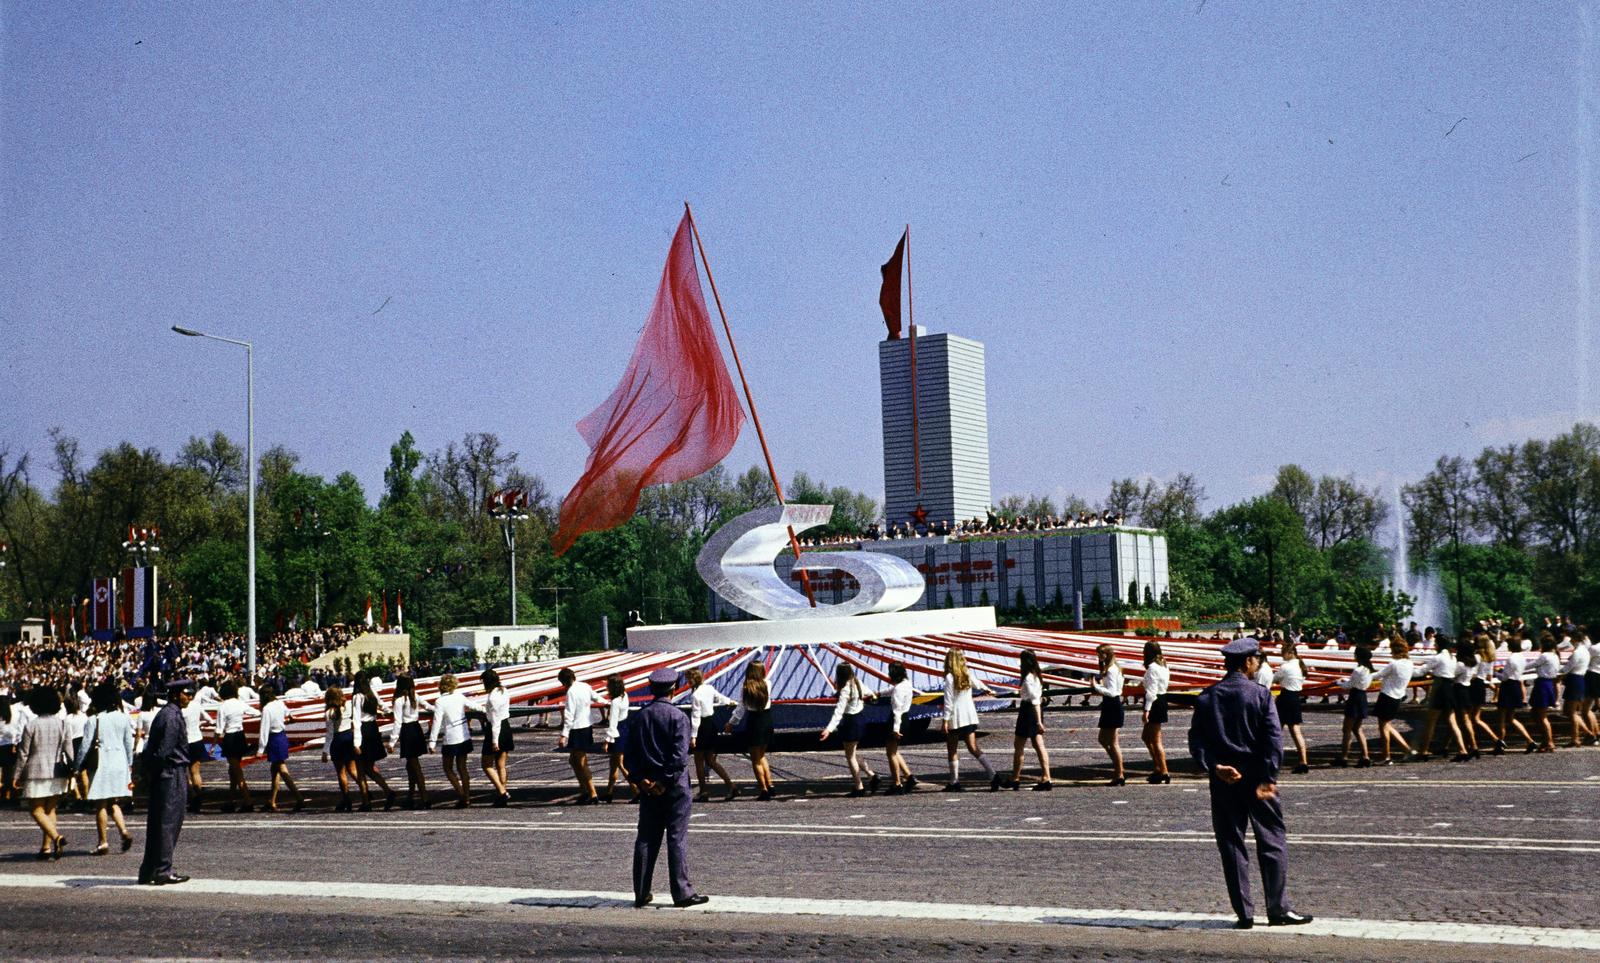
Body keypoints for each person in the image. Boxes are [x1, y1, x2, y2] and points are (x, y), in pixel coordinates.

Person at [1187, 638, 1312, 929]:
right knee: (1272, 842)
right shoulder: (1261, 696)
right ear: (1247, 662)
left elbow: (1196, 741)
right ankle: (1277, 909)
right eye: (1257, 659)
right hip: (1258, 780)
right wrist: (1269, 777)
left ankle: (1244, 912)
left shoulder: (1208, 697)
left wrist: (1215, 767)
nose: (1259, 663)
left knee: (1231, 844)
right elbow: (1273, 740)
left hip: (1223, 781)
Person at [622, 667, 708, 909]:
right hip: (674, 788)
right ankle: (681, 893)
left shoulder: (639, 717)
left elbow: (629, 756)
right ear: (674, 688)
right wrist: (664, 780)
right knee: (676, 838)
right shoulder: (678, 717)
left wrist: (642, 781)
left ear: (651, 688)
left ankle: (641, 891)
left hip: (648, 789)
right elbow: (679, 757)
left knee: (646, 838)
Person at [138, 680, 193, 885]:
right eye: (187, 693)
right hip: (171, 772)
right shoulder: (172, 716)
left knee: (158, 823)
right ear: (176, 694)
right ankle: (163, 870)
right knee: (169, 823)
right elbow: (165, 750)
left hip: (165, 773)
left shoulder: (166, 713)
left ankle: (148, 870)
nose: (190, 698)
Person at [74, 680, 136, 854]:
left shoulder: (94, 719)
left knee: (100, 804)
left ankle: (103, 842)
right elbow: (127, 744)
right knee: (113, 802)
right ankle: (123, 831)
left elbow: (85, 746)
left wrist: (77, 766)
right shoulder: (124, 718)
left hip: (102, 763)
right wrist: (129, 765)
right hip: (120, 762)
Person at [14, 686, 71, 860]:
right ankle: (46, 847)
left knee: (37, 811)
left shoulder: (31, 725)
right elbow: (69, 751)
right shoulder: (63, 724)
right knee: (50, 809)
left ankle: (56, 838)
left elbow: (23, 753)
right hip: (56, 770)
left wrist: (16, 775)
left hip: (35, 770)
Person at [940, 648, 998, 791]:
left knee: (952, 749)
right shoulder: (966, 673)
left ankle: (954, 781)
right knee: (973, 748)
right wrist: (987, 689)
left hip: (956, 717)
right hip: (969, 716)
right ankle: (993, 774)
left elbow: (948, 701)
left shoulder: (949, 677)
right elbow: (977, 683)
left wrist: (945, 720)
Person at [820, 663, 879, 797]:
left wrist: (829, 729)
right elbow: (870, 693)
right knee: (853, 751)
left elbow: (839, 711)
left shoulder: (845, 690)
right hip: (860, 719)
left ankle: (859, 786)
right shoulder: (857, 682)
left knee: (850, 756)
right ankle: (871, 775)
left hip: (850, 722)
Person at [428, 673, 482, 807]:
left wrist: (432, 742)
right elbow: (474, 706)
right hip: (464, 735)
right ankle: (467, 796)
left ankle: (461, 794)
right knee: (462, 768)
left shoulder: (440, 701)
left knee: (447, 767)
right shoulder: (459, 696)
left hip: (450, 738)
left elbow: (437, 722)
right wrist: (486, 710)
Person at [686, 667, 738, 802]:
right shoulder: (709, 688)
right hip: (711, 725)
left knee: (698, 761)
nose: (687, 682)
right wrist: (730, 702)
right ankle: (731, 785)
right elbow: (720, 697)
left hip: (702, 728)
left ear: (693, 680)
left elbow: (695, 717)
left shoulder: (695, 695)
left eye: (688, 679)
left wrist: (693, 736)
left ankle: (703, 791)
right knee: (711, 761)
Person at [725, 662, 774, 801]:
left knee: (755, 759)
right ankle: (770, 784)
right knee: (762, 755)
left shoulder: (746, 687)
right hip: (767, 719)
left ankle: (763, 789)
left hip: (754, 722)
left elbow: (741, 708)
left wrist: (731, 723)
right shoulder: (768, 684)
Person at [351, 671, 398, 811]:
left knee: (360, 768)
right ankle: (387, 790)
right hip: (373, 729)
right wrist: (386, 711)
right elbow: (383, 705)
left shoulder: (357, 696)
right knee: (370, 767)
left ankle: (366, 801)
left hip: (364, 731)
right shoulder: (372, 693)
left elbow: (356, 720)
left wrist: (356, 743)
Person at [255, 683, 305, 813]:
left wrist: (260, 749)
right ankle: (272, 800)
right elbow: (290, 715)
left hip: (274, 739)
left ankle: (298, 797)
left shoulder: (267, 709)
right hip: (282, 736)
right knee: (275, 771)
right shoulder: (279, 703)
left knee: (281, 769)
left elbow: (264, 730)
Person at [1414, 637, 1467, 760]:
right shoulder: (1452, 658)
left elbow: (1421, 671)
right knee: (1452, 721)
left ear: (1438, 645)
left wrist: (1406, 670)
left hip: (1439, 688)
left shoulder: (1438, 657)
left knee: (1431, 721)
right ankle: (1462, 749)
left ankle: (1424, 750)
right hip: (1449, 687)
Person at [557, 667, 599, 805]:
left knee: (581, 762)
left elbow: (569, 714)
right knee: (574, 761)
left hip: (577, 728)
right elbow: (596, 697)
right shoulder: (585, 686)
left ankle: (592, 793)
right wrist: (608, 703)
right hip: (586, 726)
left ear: (564, 681)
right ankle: (584, 790)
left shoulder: (571, 692)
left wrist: (564, 735)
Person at [389, 674, 429, 809]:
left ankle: (424, 797)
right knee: (410, 765)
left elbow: (397, 722)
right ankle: (411, 795)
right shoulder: (415, 697)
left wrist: (392, 741)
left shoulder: (399, 700)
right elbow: (428, 706)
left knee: (415, 766)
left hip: (407, 731)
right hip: (416, 729)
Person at [214, 680, 254, 813]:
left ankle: (247, 800)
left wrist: (214, 744)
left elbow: (219, 729)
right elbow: (255, 712)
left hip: (230, 737)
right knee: (233, 771)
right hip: (240, 736)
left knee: (236, 771)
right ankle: (231, 801)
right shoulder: (240, 703)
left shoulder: (223, 706)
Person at [1373, 639, 1415, 764]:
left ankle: (1386, 756)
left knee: (1384, 727)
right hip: (1397, 697)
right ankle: (1407, 749)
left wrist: (1361, 676)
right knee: (1387, 725)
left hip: (1386, 696)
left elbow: (1378, 675)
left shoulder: (1393, 664)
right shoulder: (1409, 663)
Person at [1272, 639, 1310, 773]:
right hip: (1295, 698)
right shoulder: (1301, 666)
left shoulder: (1285, 666)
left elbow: (1274, 679)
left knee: (1276, 731)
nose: (1282, 656)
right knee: (1296, 731)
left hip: (1285, 698)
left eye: (1283, 653)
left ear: (1290, 652)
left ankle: (1273, 760)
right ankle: (1303, 761)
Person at [1091, 643, 1126, 786]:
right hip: (1110, 705)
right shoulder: (1114, 668)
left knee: (1111, 742)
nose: (1098, 657)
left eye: (1100, 654)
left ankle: (1119, 773)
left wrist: (1096, 687)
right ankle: (1118, 769)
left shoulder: (1111, 670)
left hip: (1112, 704)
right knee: (1104, 739)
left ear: (1106, 655)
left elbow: (1112, 692)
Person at [1333, 646, 1374, 767]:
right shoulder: (1369, 670)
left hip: (1355, 697)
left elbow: (1349, 685)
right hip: (1363, 697)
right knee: (1358, 729)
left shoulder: (1358, 670)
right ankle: (1365, 756)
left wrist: (1338, 683)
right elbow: (1355, 681)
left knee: (1346, 729)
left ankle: (1344, 757)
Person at [882, 662, 918, 794]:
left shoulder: (898, 689)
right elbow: (891, 690)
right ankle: (909, 776)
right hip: (905, 718)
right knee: (895, 751)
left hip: (897, 720)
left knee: (890, 753)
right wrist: (879, 693)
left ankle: (896, 783)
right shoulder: (907, 684)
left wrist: (895, 729)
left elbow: (897, 711)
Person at [1494, 638, 1536, 752]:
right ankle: (1529, 740)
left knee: (1501, 717)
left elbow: (1504, 677)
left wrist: (1496, 673)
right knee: (1511, 718)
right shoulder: (1522, 657)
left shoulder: (1511, 658)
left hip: (1507, 686)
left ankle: (1500, 742)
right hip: (1516, 684)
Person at [323, 686, 359, 812]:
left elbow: (329, 734)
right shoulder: (348, 706)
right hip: (349, 736)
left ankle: (346, 798)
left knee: (341, 772)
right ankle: (364, 790)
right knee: (353, 769)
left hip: (337, 740)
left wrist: (325, 751)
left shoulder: (329, 713)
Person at [480, 668, 513, 807]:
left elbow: (495, 720)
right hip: (506, 726)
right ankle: (503, 792)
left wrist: (494, 741)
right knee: (501, 765)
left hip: (496, 730)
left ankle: (501, 792)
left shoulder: (492, 697)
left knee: (486, 764)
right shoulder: (504, 690)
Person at [1139, 642, 1169, 785]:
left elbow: (1151, 692)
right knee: (1146, 737)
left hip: (1155, 701)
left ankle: (1163, 770)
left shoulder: (1151, 667)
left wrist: (1147, 710)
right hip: (1162, 698)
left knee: (1155, 740)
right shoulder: (1164, 665)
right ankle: (1158, 767)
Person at [602, 673, 633, 803]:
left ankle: (636, 789)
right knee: (613, 764)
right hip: (625, 729)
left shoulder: (615, 702)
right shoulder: (625, 695)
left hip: (617, 733)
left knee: (619, 763)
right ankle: (609, 792)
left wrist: (607, 741)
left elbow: (613, 723)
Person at [1559, 632, 1594, 748]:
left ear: (1575, 639)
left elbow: (1567, 668)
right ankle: (1585, 734)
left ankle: (1577, 737)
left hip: (1575, 680)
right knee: (1569, 711)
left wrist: (1557, 669)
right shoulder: (1585, 651)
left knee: (1571, 712)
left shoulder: (1578, 652)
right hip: (1578, 679)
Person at [1528, 634, 1560, 752]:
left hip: (1542, 684)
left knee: (1541, 716)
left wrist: (1520, 666)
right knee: (1535, 713)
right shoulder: (1555, 656)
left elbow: (1531, 665)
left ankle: (1549, 742)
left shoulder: (1544, 656)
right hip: (1548, 684)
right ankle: (1545, 740)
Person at [180, 684, 207, 814]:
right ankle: (199, 796)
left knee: (184, 773)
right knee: (196, 772)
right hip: (197, 739)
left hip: (185, 742)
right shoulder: (197, 705)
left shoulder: (181, 709)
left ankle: (192, 797)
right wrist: (199, 725)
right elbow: (208, 719)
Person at [0, 693, 21, 807]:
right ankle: (7, 794)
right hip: (9, 746)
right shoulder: (14, 716)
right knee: (8, 772)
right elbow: (17, 732)